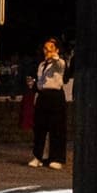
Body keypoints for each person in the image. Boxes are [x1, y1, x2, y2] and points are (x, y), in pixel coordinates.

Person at [29, 39, 69, 168]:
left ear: (57, 50)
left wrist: (55, 56)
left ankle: (56, 158)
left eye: (51, 48)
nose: (48, 51)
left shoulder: (60, 63)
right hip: (43, 95)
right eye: (46, 48)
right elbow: (41, 82)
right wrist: (34, 85)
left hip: (55, 96)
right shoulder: (41, 65)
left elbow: (60, 66)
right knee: (40, 127)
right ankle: (38, 156)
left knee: (56, 127)